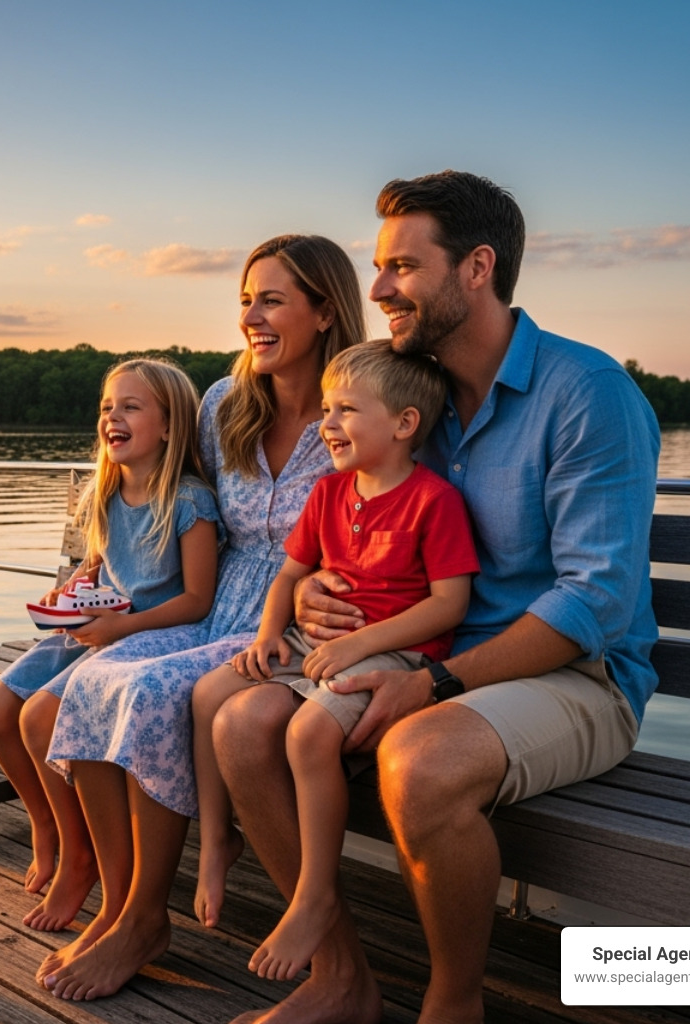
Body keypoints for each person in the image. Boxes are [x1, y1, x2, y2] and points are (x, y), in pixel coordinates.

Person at [212, 170, 660, 1024]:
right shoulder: (415, 399)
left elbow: (595, 602)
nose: (377, 289)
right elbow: (363, 540)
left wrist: (437, 681)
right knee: (240, 723)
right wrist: (315, 600)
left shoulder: (585, 394)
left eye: (402, 268)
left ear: (477, 268)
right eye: (380, 268)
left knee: (417, 763)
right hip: (421, 657)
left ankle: (453, 1005)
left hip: (576, 677)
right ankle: (341, 979)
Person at [27, 234, 367, 1001]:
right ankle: (121, 909)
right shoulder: (223, 403)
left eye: (273, 299)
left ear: (324, 310)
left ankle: (149, 914)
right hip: (217, 609)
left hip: (292, 619)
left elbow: (385, 509)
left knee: (150, 692)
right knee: (87, 683)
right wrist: (107, 579)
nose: (252, 315)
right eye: (246, 300)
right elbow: (182, 503)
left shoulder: (357, 404)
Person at [190, 339, 479, 983]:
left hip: (394, 652)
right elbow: (292, 573)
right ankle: (215, 841)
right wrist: (269, 631)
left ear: (404, 424)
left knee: (309, 732)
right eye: (326, 409)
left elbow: (449, 606)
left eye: (346, 409)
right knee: (210, 696)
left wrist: (362, 644)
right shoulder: (328, 493)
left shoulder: (434, 502)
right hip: (316, 642)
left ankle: (316, 892)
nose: (327, 424)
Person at [0, 358, 220, 932]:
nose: (114, 416)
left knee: (39, 719)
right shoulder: (104, 493)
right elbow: (98, 564)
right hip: (93, 629)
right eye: (108, 406)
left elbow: (197, 601)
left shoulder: (187, 502)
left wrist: (120, 629)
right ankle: (50, 826)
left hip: (150, 635)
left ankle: (81, 859)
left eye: (131, 406)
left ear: (168, 426)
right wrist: (76, 588)